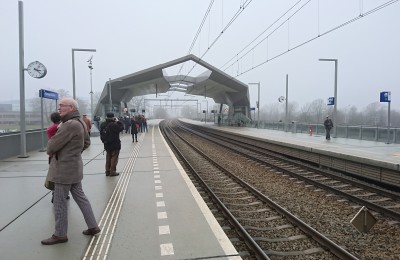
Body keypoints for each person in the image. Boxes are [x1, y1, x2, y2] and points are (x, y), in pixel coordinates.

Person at [41, 98, 100, 245]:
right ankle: (93, 226)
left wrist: (65, 153)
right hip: (74, 167)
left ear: (71, 108)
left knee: (60, 202)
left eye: (62, 106)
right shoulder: (80, 121)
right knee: (81, 197)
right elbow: (87, 142)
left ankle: (60, 234)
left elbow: (51, 147)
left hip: (63, 170)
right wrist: (73, 153)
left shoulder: (69, 125)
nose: (59, 108)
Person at [46, 112, 70, 202]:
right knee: (65, 175)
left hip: (52, 155)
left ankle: (54, 193)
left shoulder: (50, 129)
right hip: (64, 154)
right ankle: (65, 193)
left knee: (54, 176)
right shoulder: (63, 127)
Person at [99, 112, 124, 176]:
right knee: (114, 158)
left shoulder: (102, 124)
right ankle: (112, 171)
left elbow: (101, 134)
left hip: (106, 144)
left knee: (108, 157)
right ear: (113, 117)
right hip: (115, 144)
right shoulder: (114, 125)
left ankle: (107, 171)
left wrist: (104, 141)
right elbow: (121, 128)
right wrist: (118, 121)